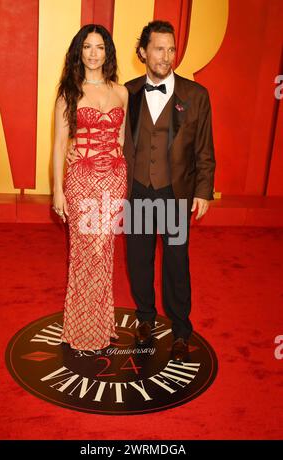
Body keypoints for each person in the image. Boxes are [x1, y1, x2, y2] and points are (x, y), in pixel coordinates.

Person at [124, 20, 216, 361]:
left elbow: (205, 149)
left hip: (174, 194)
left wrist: (204, 191)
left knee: (177, 263)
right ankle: (145, 318)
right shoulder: (127, 92)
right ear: (143, 53)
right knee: (138, 260)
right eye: (159, 48)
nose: (166, 56)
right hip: (136, 191)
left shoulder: (196, 95)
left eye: (171, 49)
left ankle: (180, 330)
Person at [52, 24, 128, 351]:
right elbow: (58, 146)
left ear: (107, 52)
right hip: (81, 180)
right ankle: (82, 328)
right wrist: (58, 190)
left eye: (99, 47)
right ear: (79, 52)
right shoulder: (69, 91)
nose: (93, 53)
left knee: (104, 251)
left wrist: (118, 165)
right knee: (86, 252)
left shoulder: (121, 92)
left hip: (113, 178)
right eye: (87, 47)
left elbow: (122, 139)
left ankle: (100, 323)